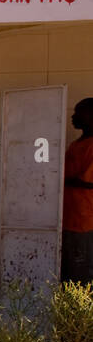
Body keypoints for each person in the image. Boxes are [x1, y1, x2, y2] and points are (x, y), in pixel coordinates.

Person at [63, 98, 93, 284]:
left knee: (80, 275)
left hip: (83, 220)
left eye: (78, 112)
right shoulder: (77, 144)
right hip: (69, 217)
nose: (73, 117)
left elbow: (87, 181)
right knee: (68, 272)